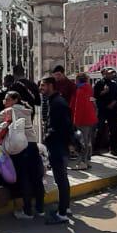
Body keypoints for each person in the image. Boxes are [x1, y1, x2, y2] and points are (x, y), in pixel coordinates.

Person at [0, 92, 43, 219]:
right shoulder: (26, 110)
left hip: (20, 147)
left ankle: (27, 211)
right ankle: (40, 209)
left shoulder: (10, 110)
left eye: (7, 99)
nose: (5, 102)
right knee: (36, 177)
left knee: (24, 178)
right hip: (32, 145)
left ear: (15, 100)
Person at [40, 77, 73, 225]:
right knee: (62, 179)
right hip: (58, 145)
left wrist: (48, 136)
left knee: (61, 179)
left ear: (51, 86)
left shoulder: (58, 103)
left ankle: (62, 213)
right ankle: (64, 207)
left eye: (43, 85)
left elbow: (64, 127)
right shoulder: (54, 101)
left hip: (58, 146)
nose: (41, 88)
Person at [93, 68, 117, 157]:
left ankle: (114, 149)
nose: (110, 75)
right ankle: (96, 149)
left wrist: (113, 103)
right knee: (100, 129)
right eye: (108, 73)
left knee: (114, 130)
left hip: (112, 110)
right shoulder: (99, 83)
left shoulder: (114, 84)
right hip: (102, 109)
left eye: (111, 73)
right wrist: (103, 92)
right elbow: (94, 96)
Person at [70, 72, 97, 168]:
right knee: (88, 141)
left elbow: (78, 108)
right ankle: (88, 160)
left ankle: (83, 162)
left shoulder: (80, 91)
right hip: (91, 118)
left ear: (77, 80)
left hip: (83, 120)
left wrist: (75, 121)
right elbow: (93, 102)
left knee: (82, 142)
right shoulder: (89, 89)